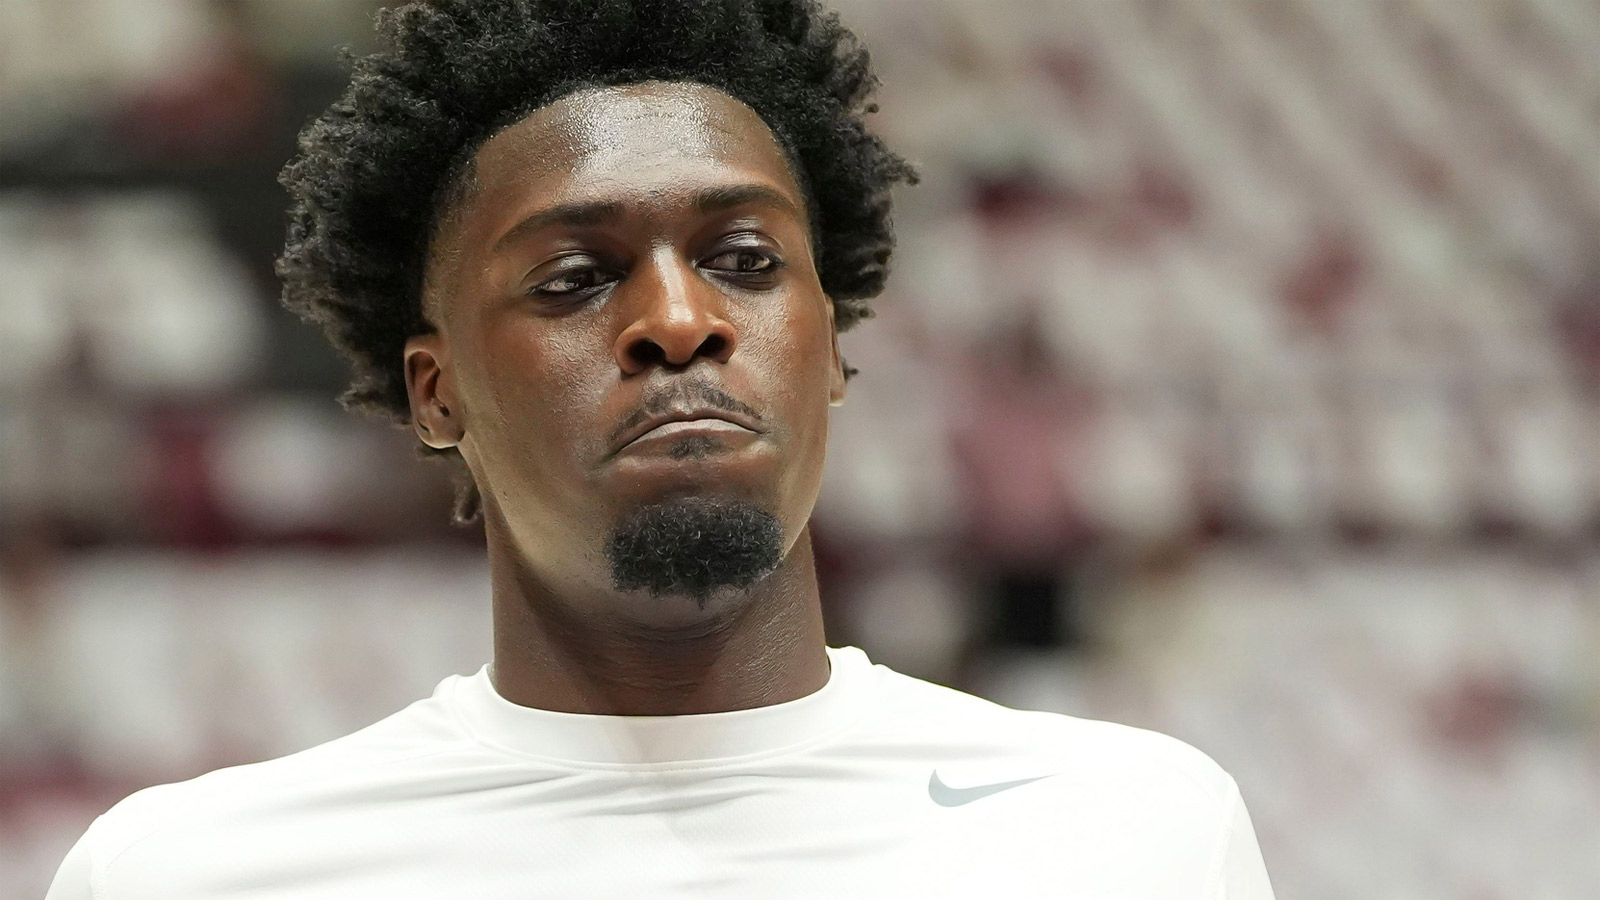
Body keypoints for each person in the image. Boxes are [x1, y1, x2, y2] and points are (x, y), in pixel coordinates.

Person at [47, 1, 1275, 896]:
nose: (681, 323)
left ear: (831, 347)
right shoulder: (190, 873)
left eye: (745, 263)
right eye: (576, 278)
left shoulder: (1135, 832)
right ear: (436, 395)